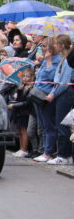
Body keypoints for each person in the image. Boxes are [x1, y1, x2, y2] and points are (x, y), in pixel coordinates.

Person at [44, 34, 74, 164]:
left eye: (56, 44)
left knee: (62, 124)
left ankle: (64, 155)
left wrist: (54, 94)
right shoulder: (64, 59)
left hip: (66, 94)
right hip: (63, 93)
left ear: (61, 45)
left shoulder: (67, 60)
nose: (54, 46)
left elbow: (64, 81)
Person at [32, 37, 61, 163]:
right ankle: (44, 149)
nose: (42, 49)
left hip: (47, 95)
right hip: (38, 94)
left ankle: (48, 152)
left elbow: (52, 77)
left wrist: (48, 60)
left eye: (44, 46)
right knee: (43, 125)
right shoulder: (44, 60)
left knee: (49, 125)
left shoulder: (57, 60)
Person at [9, 68, 34, 158]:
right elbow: (18, 98)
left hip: (25, 112)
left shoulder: (30, 88)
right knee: (19, 130)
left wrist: (14, 106)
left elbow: (27, 102)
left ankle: (24, 149)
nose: (25, 78)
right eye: (24, 76)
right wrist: (19, 90)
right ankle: (20, 148)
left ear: (32, 78)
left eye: (27, 77)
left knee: (24, 131)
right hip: (18, 111)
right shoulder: (21, 86)